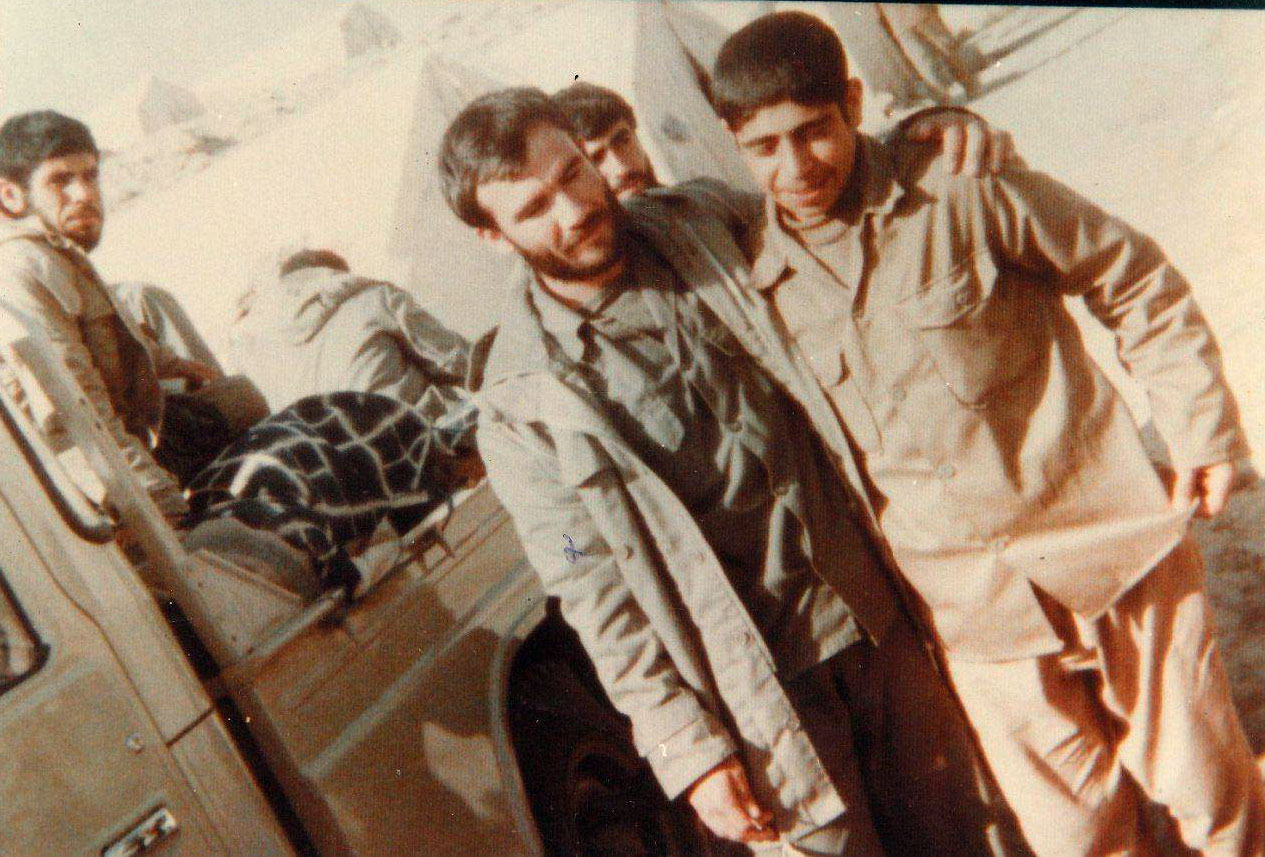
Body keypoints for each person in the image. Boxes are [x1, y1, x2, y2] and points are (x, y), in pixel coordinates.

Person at [704, 11, 1264, 854]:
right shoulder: (758, 283)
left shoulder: (959, 184)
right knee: (1078, 839)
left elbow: (1132, 278)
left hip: (1108, 546)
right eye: (764, 147)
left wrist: (1201, 430)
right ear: (734, 144)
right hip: (974, 612)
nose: (795, 166)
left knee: (1210, 793)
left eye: (813, 131)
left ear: (852, 103)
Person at [440, 87, 1025, 856]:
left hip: (880, 620)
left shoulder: (699, 224)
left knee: (980, 835)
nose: (574, 208)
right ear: (492, 237)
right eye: (534, 207)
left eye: (573, 172)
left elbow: (832, 202)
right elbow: (588, 586)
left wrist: (920, 132)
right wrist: (686, 751)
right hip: (766, 709)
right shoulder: (522, 407)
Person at [0, 111, 217, 519]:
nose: (84, 194)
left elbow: (109, 337)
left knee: (234, 402)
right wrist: (167, 513)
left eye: (90, 176)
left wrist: (171, 364)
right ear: (11, 196)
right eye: (60, 180)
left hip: (126, 442)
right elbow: (80, 423)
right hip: (92, 491)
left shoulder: (55, 252)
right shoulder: (21, 269)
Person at [550, 78, 1012, 205]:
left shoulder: (706, 210)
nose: (620, 167)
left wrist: (927, 128)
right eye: (596, 158)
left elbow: (815, 187)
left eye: (622, 141)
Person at [228, 246, 477, 455]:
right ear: (335, 273)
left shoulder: (261, 349)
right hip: (421, 442)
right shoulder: (373, 295)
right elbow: (457, 361)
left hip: (349, 470)